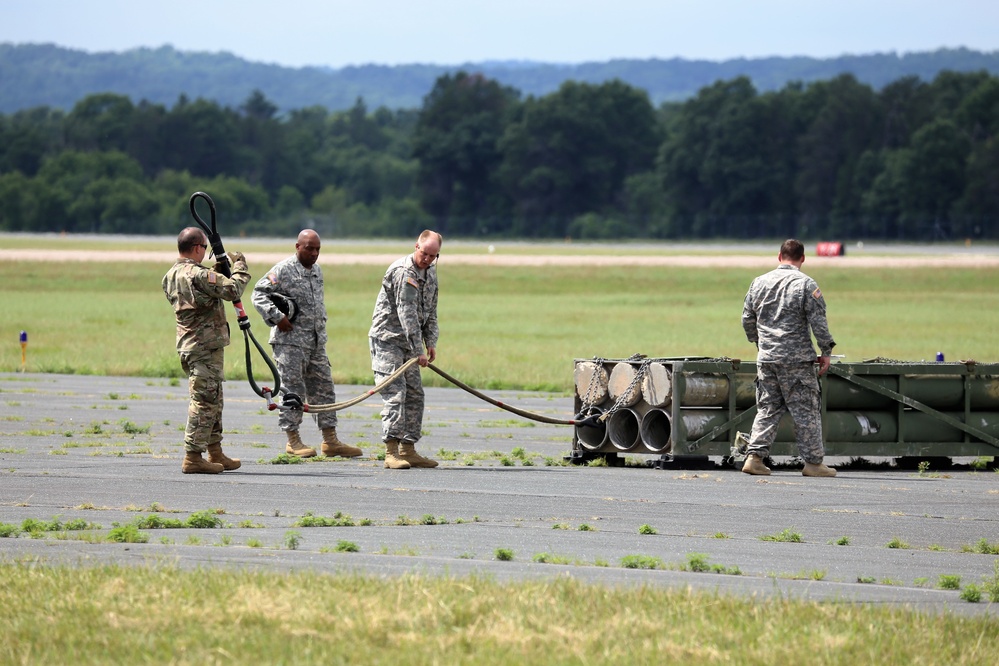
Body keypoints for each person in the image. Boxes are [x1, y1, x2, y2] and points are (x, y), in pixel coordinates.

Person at [250, 229, 362, 459]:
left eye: (318, 249)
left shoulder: (317, 271)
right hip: (289, 343)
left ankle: (330, 441)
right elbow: (258, 294)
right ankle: (293, 440)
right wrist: (277, 317)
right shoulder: (283, 269)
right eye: (309, 248)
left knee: (324, 389)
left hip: (315, 342)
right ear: (298, 247)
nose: (314, 253)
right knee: (293, 391)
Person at [740, 239, 837, 477]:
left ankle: (754, 458)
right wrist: (826, 352)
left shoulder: (758, 283)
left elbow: (747, 319)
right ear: (803, 258)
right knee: (806, 410)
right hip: (796, 361)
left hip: (767, 358)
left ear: (779, 256)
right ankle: (814, 463)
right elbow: (818, 322)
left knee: (768, 407)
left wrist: (759, 343)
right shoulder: (806, 284)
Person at [162, 227, 250, 474]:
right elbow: (232, 289)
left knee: (214, 399)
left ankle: (215, 451)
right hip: (204, 347)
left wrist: (214, 272)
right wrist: (240, 266)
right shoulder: (198, 274)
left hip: (192, 346)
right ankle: (193, 457)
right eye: (204, 249)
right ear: (198, 247)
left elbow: (199, 294)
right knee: (203, 402)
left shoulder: (170, 275)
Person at [368, 230, 442, 469]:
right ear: (416, 247)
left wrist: (430, 342)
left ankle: (408, 449)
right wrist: (417, 348)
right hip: (389, 340)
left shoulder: (430, 274)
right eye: (424, 253)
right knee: (395, 394)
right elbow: (407, 312)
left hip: (411, 343)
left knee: (415, 394)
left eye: (433, 255)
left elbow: (430, 311)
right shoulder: (404, 272)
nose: (428, 259)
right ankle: (391, 452)